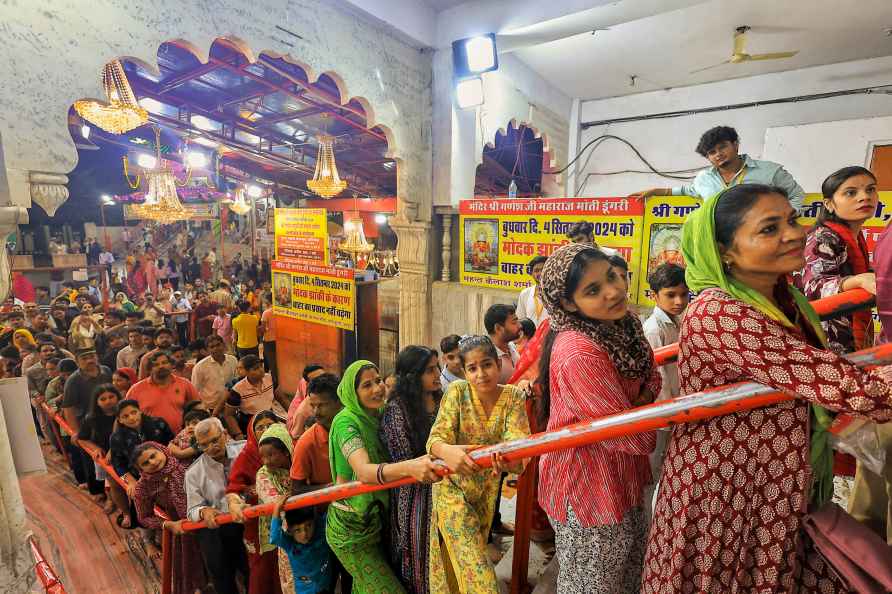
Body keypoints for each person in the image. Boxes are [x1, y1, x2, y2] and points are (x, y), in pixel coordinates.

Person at [641, 183, 892, 593]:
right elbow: (832, 380)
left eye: (791, 220)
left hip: (776, 482)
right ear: (725, 250)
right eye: (769, 228)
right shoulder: (718, 312)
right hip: (726, 490)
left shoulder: (782, 296)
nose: (794, 234)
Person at [535, 243, 658, 593]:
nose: (613, 291)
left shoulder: (625, 325)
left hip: (624, 479)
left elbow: (652, 376)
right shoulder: (578, 352)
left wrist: (636, 403)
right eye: (593, 290)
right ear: (569, 304)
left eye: (611, 277)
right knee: (591, 585)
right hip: (589, 488)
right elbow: (638, 437)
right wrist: (642, 403)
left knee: (629, 575)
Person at [326, 360, 441, 593]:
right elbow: (364, 471)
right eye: (366, 385)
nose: (377, 388)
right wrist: (410, 467)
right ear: (352, 392)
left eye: (378, 381)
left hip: (378, 520)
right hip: (351, 529)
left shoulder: (380, 414)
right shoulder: (346, 423)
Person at [426, 336, 530, 594]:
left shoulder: (513, 397)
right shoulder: (457, 392)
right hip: (452, 495)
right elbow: (435, 440)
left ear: (498, 364)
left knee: (460, 568)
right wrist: (448, 452)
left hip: (485, 495)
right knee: (480, 577)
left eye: (487, 365)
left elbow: (520, 450)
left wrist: (506, 457)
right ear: (464, 371)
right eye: (472, 368)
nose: (481, 374)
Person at [797, 166, 878, 354]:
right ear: (829, 204)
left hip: (847, 332)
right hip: (827, 341)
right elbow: (813, 286)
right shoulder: (822, 237)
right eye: (851, 192)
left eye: (870, 189)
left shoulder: (854, 236)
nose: (864, 197)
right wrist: (856, 280)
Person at [380, 346, 442, 594]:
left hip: (444, 489)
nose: (437, 374)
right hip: (414, 493)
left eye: (437, 367)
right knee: (418, 551)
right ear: (413, 376)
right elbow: (403, 458)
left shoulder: (442, 400)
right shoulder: (397, 410)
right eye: (430, 370)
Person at [630, 125, 806, 211]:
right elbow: (688, 190)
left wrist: (784, 220)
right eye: (712, 152)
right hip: (720, 247)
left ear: (735, 145)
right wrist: (655, 190)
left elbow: (796, 194)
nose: (718, 154)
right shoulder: (704, 179)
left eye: (722, 147)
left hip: (760, 245)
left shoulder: (770, 171)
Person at [132, 442, 206, 594]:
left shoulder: (185, 462)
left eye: (153, 456)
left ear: (162, 450)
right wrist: (168, 524)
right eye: (146, 463)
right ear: (140, 469)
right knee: (192, 566)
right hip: (183, 528)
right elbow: (144, 517)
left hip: (208, 516)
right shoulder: (143, 487)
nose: (152, 462)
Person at [185, 417, 248, 594]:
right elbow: (192, 511)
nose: (211, 447)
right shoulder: (194, 473)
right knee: (221, 574)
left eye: (214, 440)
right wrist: (204, 511)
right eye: (204, 445)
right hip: (221, 527)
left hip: (251, 519)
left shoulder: (245, 449)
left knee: (254, 572)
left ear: (225, 434)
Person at [226, 411, 284, 594]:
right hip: (258, 527)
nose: (266, 430)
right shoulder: (246, 457)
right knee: (262, 572)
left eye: (270, 425)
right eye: (260, 427)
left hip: (288, 521)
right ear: (252, 432)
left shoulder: (288, 448)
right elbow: (234, 489)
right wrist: (235, 504)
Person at [61, 348, 113, 494]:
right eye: (84, 358)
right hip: (87, 423)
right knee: (91, 458)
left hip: (107, 418)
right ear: (77, 362)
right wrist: (75, 431)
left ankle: (112, 492)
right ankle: (98, 491)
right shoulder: (73, 380)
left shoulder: (106, 371)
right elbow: (68, 407)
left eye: (92, 356)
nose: (89, 360)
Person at [254, 423, 298, 593]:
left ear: (286, 451)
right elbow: (273, 501)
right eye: (262, 456)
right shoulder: (263, 474)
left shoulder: (299, 464)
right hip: (287, 535)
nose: (266, 461)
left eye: (271, 455)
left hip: (312, 529)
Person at [76, 384, 124, 517]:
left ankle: (126, 505)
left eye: (111, 397)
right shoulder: (91, 418)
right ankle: (110, 499)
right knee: (109, 480)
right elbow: (82, 438)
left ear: (117, 397)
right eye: (103, 399)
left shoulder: (125, 412)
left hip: (124, 452)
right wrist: (96, 448)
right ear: (96, 402)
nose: (108, 401)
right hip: (104, 456)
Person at [270, 496, 335, 594]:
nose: (304, 534)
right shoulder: (290, 544)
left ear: (314, 522)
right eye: (297, 530)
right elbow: (274, 537)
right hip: (305, 592)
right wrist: (276, 510)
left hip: (325, 586)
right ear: (290, 531)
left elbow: (332, 510)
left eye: (308, 526)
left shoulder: (321, 530)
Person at [290, 373, 342, 493]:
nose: (315, 412)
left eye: (322, 405)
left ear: (339, 401)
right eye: (313, 406)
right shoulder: (306, 443)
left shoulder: (353, 428)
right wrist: (330, 489)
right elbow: (296, 489)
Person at [127, 350, 199, 433]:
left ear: (171, 365)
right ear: (149, 369)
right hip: (149, 440)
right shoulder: (136, 389)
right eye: (156, 364)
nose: (161, 366)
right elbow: (125, 414)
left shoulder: (185, 384)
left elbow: (198, 408)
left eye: (164, 362)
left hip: (181, 438)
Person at [225, 354, 289, 438]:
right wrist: (238, 434)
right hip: (249, 424)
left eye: (261, 366)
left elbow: (282, 399)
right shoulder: (238, 390)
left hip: (269, 419)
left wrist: (292, 415)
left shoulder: (269, 379)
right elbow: (229, 415)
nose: (261, 370)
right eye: (256, 369)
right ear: (246, 372)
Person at [191, 334, 239, 413]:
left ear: (223, 345)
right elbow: (195, 390)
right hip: (210, 408)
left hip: (231, 405)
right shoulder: (200, 367)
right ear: (207, 350)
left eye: (218, 345)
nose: (216, 348)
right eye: (212, 347)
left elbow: (237, 382)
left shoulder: (233, 360)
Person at [484, 303, 521, 384]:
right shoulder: (486, 356)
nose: (520, 326)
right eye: (514, 323)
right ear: (498, 328)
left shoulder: (511, 346)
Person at [287, 364, 326, 439]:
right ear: (309, 384)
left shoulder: (334, 395)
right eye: (317, 380)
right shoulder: (303, 412)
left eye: (324, 376)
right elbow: (295, 437)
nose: (324, 381)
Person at [515, 256, 549, 326]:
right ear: (531, 274)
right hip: (531, 336)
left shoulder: (557, 293)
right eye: (536, 271)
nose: (540, 273)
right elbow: (520, 319)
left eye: (543, 270)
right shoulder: (525, 293)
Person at [260, 305, 279, 388]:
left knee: (272, 361)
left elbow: (263, 328)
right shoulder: (281, 311)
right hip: (279, 339)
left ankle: (275, 383)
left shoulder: (266, 313)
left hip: (268, 340)